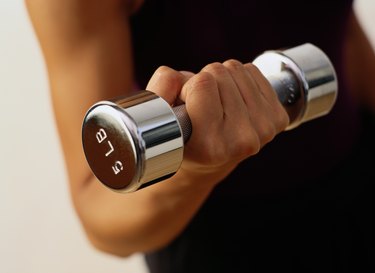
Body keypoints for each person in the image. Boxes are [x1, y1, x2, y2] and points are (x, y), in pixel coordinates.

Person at [25, 0, 374, 272]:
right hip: (224, 244)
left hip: (357, 180)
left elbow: (343, 42)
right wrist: (197, 171)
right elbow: (99, 215)